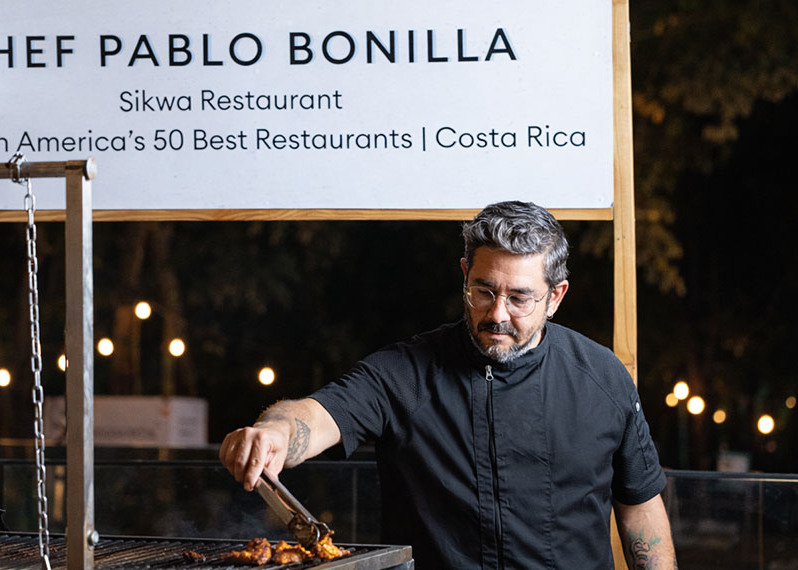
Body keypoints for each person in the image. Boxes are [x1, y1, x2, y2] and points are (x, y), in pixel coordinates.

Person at [220, 201, 676, 569]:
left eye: (519, 298)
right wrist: (275, 433)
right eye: (484, 290)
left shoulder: (603, 377)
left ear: (555, 297)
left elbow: (639, 506)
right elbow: (320, 414)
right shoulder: (404, 372)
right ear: (464, 276)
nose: (497, 314)